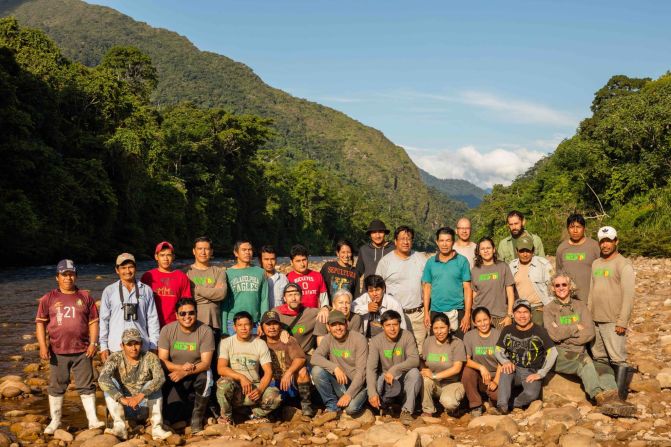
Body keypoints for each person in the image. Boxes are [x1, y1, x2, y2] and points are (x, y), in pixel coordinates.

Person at [544, 272, 635, 417]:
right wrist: (575, 328)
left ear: (570, 287)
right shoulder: (549, 309)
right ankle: (599, 397)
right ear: (553, 288)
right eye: (557, 285)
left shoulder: (580, 306)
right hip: (560, 353)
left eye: (564, 284)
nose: (561, 288)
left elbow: (590, 333)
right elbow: (553, 335)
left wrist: (564, 335)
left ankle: (614, 399)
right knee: (585, 362)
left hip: (579, 351)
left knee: (603, 368)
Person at [36, 260, 105, 434]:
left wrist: (94, 343)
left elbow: (94, 322)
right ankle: (56, 421)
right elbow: (40, 325)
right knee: (57, 386)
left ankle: (92, 420)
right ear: (57, 277)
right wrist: (43, 346)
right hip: (57, 351)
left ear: (75, 275)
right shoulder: (48, 298)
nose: (68, 277)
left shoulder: (85, 297)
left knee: (87, 385)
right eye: (64, 274)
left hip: (83, 350)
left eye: (71, 274)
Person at [587, 226, 636, 400]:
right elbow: (592, 292)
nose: (605, 245)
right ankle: (606, 393)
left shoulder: (623, 265)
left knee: (617, 358)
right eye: (602, 241)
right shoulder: (596, 264)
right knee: (599, 357)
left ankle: (620, 397)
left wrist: (622, 321)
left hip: (613, 321)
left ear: (616, 242)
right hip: (595, 320)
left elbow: (629, 296)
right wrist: (588, 316)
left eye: (609, 241)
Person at [98, 328, 171, 441]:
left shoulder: (150, 357)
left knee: (154, 383)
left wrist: (140, 396)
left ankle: (156, 428)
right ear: (122, 346)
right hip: (124, 407)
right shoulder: (115, 358)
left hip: (145, 407)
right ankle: (119, 428)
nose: (133, 348)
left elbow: (160, 378)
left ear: (141, 344)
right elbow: (102, 378)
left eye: (136, 343)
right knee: (109, 382)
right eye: (129, 344)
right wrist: (122, 399)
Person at [158, 299, 215, 434]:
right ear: (176, 315)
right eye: (182, 314)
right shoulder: (167, 330)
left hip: (196, 372)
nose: (187, 317)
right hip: (174, 373)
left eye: (191, 313)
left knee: (206, 377)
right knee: (172, 415)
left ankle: (197, 418)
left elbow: (206, 363)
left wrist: (186, 372)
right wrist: (180, 368)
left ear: (196, 313)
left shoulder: (205, 330)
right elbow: (162, 360)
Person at [216, 311, 281, 424]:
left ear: (252, 326)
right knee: (223, 383)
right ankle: (227, 417)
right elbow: (221, 368)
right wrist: (241, 377)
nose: (243, 328)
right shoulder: (226, 342)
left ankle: (254, 415)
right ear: (234, 327)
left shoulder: (260, 343)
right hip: (235, 387)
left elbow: (268, 372)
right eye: (240, 325)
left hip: (254, 388)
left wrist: (260, 390)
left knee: (275, 396)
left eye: (246, 325)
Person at [494, 299, 557, 414]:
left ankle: (512, 404)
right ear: (513, 315)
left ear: (531, 314)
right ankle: (502, 406)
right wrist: (505, 361)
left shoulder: (540, 331)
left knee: (532, 394)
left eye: (525, 312)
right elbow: (498, 350)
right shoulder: (508, 330)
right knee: (506, 369)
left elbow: (553, 352)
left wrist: (541, 373)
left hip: (531, 371)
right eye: (518, 312)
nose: (522, 315)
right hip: (514, 369)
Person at [100, 253, 160, 362]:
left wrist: (153, 345)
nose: (127, 271)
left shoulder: (146, 290)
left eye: (130, 267)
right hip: (116, 347)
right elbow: (104, 320)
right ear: (117, 270)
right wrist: (103, 346)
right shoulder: (109, 291)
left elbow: (152, 319)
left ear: (135, 268)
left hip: (141, 347)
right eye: (123, 268)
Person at [376, 226, 428, 352]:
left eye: (409, 239)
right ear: (395, 241)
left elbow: (427, 286)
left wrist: (427, 312)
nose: (406, 242)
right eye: (402, 239)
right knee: (397, 350)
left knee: (420, 351)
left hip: (417, 314)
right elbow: (377, 289)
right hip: (394, 316)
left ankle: (418, 372)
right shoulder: (385, 262)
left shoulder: (421, 259)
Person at [366, 310, 421, 424]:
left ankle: (406, 411)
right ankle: (386, 408)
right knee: (379, 379)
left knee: (415, 373)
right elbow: (371, 368)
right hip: (385, 380)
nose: (392, 329)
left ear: (399, 324)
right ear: (382, 326)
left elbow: (415, 360)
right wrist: (372, 393)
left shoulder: (407, 335)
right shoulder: (376, 341)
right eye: (388, 325)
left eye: (395, 325)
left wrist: (395, 369)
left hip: (402, 378)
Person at [311, 310, 369, 416]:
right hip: (340, 383)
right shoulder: (328, 338)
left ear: (346, 324)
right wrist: (335, 368)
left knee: (351, 409)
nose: (338, 328)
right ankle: (332, 407)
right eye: (333, 325)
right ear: (328, 327)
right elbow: (314, 357)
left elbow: (362, 372)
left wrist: (349, 394)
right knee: (316, 371)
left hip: (358, 385)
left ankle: (361, 401)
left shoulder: (359, 339)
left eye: (341, 324)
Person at [259, 310, 313, 417]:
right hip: (270, 384)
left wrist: (289, 373)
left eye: (275, 324)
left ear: (280, 326)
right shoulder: (259, 342)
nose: (272, 327)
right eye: (268, 324)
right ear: (262, 327)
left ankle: (306, 405)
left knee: (303, 370)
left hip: (290, 383)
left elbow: (301, 359)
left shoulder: (288, 340)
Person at [422, 227, 473, 339]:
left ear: (453, 242)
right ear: (437, 242)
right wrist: (426, 312)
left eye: (448, 240)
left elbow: (467, 288)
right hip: (436, 311)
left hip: (458, 310)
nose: (444, 244)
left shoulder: (462, 261)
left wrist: (467, 314)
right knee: (437, 347)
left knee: (460, 346)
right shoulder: (430, 263)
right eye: (441, 240)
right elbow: (427, 288)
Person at [420, 313, 466, 417]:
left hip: (452, 383)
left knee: (449, 403)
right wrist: (424, 372)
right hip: (435, 384)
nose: (439, 331)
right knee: (425, 379)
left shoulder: (457, 343)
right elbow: (422, 361)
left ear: (448, 328)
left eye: (442, 327)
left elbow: (457, 369)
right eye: (436, 328)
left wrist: (434, 376)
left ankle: (453, 406)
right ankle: (428, 410)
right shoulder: (428, 341)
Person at [221, 240, 268, 336]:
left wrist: (263, 323)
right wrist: (224, 329)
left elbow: (264, 300)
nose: (247, 252)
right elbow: (224, 303)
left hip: (255, 323)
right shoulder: (228, 273)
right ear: (236, 253)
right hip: (233, 323)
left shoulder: (261, 272)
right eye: (244, 250)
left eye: (250, 249)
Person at [141, 241, 192, 327]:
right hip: (152, 325)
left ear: (173, 257)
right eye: (162, 255)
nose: (165, 258)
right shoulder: (147, 276)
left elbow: (186, 304)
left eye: (168, 255)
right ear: (156, 257)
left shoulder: (181, 277)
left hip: (175, 325)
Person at [462, 307, 501, 417]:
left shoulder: (498, 335)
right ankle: (476, 405)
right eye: (479, 321)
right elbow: (466, 360)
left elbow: (502, 362)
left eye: (485, 320)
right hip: (480, 377)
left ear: (490, 319)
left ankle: (492, 402)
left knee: (498, 396)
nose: (483, 324)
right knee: (467, 371)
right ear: (474, 323)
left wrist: (496, 381)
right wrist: (481, 367)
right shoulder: (469, 336)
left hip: (496, 376)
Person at [509, 234, 554, 326]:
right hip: (519, 308)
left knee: (538, 336)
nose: (525, 254)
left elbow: (553, 286)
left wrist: (548, 307)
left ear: (533, 250)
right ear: (517, 251)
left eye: (528, 251)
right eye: (522, 251)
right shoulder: (511, 266)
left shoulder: (543, 264)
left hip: (538, 307)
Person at [273, 283, 329, 356]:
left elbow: (334, 312)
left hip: (303, 355)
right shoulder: (276, 312)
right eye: (290, 295)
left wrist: (326, 308)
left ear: (301, 297)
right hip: (283, 356)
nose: (293, 298)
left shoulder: (310, 313)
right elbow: (266, 327)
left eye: (296, 294)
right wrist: (280, 330)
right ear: (284, 298)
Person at [186, 236, 227, 335]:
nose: (203, 252)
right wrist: (212, 293)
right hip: (191, 323)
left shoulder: (219, 271)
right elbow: (188, 298)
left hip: (214, 323)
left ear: (211, 251)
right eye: (199, 249)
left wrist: (197, 289)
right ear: (194, 251)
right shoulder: (186, 272)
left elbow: (221, 294)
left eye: (206, 249)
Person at [470, 237, 515, 327]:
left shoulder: (503, 267)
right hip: (480, 317)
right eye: (482, 249)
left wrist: (510, 315)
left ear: (494, 249)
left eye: (488, 248)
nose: (486, 251)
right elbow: (474, 295)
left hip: (500, 317)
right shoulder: (475, 270)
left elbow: (510, 293)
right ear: (478, 252)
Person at [555, 214, 601, 301]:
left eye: (578, 227)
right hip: (568, 300)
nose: (575, 230)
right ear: (568, 229)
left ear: (584, 228)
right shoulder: (561, 248)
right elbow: (559, 274)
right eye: (572, 227)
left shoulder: (594, 246)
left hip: (590, 299)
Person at [355, 219, 395, 295]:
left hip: (389, 294)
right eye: (374, 232)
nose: (377, 235)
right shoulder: (364, 250)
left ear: (385, 233)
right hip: (369, 293)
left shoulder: (393, 249)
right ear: (370, 234)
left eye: (380, 232)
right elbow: (357, 273)